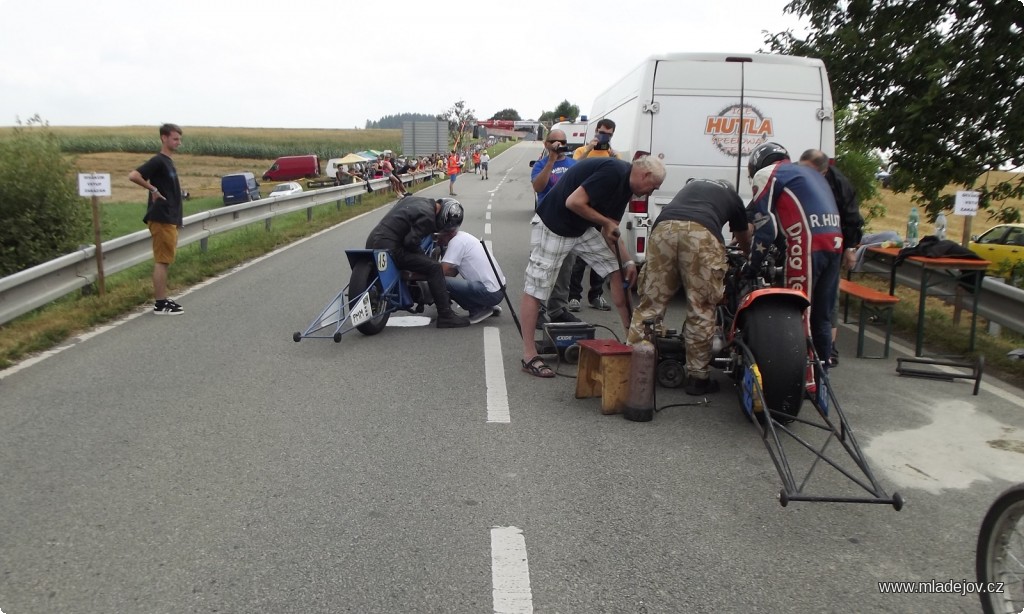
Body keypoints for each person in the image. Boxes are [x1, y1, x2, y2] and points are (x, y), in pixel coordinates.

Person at [519, 155, 666, 377]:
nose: (650, 193)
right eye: (652, 187)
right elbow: (574, 202)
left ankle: (632, 340)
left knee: (616, 271)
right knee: (537, 287)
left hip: (582, 229)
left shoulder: (627, 187)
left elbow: (611, 230)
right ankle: (529, 355)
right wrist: (605, 222)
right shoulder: (614, 172)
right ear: (644, 175)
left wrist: (627, 261)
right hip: (554, 224)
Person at [626, 179, 752, 395]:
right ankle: (697, 378)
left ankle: (633, 368)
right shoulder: (732, 197)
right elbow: (743, 237)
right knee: (701, 306)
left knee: (650, 304)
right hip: (701, 235)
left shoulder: (689, 189)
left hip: (663, 230)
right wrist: (749, 257)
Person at [747, 142, 842, 370]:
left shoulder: (767, 174)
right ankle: (822, 376)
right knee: (822, 315)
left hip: (808, 243)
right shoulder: (811, 174)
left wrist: (751, 266)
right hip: (835, 241)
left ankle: (801, 377)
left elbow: (766, 229)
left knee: (798, 313)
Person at [798, 149, 864, 367]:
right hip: (806, 244)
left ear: (824, 171)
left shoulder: (839, 184)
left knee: (827, 303)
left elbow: (852, 217)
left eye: (809, 171)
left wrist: (850, 248)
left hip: (832, 246)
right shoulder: (800, 179)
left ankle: (827, 352)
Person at [365, 197, 470, 328]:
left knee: (423, 262)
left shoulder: (415, 200)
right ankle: (446, 315)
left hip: (373, 240)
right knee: (435, 267)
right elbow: (411, 241)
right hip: (390, 248)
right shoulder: (429, 217)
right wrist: (424, 257)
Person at [128, 123, 186, 315]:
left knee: (165, 259)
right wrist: (152, 189)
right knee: (162, 260)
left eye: (179, 139)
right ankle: (160, 303)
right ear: (164, 138)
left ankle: (162, 299)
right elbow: (134, 175)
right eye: (175, 138)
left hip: (169, 218)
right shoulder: (158, 161)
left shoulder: (168, 162)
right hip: (161, 217)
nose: (179, 142)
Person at [568, 118, 619, 312]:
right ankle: (574, 296)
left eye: (608, 134)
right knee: (580, 256)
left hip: (603, 208)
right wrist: (589, 148)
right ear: (595, 131)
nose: (604, 136)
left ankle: (596, 295)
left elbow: (619, 178)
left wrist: (613, 157)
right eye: (601, 132)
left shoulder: (613, 155)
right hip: (583, 206)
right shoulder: (582, 151)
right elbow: (572, 169)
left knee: (602, 253)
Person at [530, 129, 580, 327]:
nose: (559, 145)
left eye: (563, 141)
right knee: (542, 268)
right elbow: (538, 188)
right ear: (546, 144)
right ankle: (538, 310)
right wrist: (551, 161)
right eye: (555, 142)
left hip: (569, 222)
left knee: (566, 269)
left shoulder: (573, 165)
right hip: (547, 221)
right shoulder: (541, 165)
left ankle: (558, 309)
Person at [439, 229, 506, 324]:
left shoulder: (456, 242)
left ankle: (477, 309)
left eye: (439, 235)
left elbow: (439, 273)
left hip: (490, 293)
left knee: (440, 282)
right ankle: (485, 305)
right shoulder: (463, 237)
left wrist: (416, 275)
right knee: (447, 282)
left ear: (449, 233)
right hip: (499, 290)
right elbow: (451, 273)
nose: (438, 239)